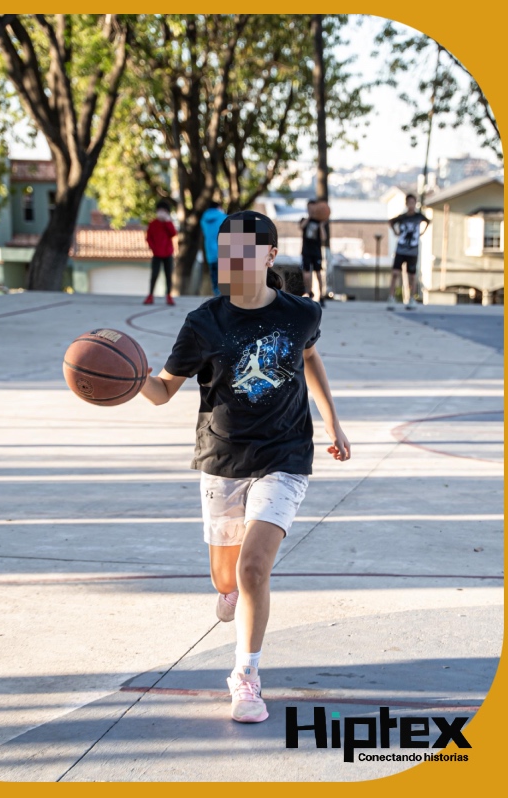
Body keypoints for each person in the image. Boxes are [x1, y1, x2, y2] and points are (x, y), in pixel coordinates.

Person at [139, 211, 351, 724]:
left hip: (285, 456)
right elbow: (163, 390)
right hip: (223, 458)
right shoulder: (204, 322)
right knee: (226, 576)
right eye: (225, 250)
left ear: (270, 255)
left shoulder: (303, 313)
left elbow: (310, 358)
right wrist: (128, 380)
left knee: (254, 566)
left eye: (243, 250)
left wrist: (332, 423)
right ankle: (229, 589)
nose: (231, 260)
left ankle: (246, 677)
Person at [388, 193, 430, 310]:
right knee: (395, 273)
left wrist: (422, 233)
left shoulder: (419, 217)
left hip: (413, 250)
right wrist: (395, 232)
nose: (411, 205)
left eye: (413, 203)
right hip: (401, 249)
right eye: (409, 203)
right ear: (406, 204)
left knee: (412, 275)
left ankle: (411, 298)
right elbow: (391, 222)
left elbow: (428, 221)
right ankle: (391, 297)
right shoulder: (402, 217)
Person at [144, 199, 178, 305]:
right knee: (154, 274)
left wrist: (167, 222)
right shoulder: (153, 223)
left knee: (168, 275)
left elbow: (173, 233)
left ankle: (168, 295)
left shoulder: (168, 223)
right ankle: (150, 295)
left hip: (168, 253)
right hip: (157, 254)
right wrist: (153, 248)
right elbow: (149, 237)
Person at [299, 199, 330, 306]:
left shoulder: (320, 222)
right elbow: (301, 227)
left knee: (318, 274)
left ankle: (321, 296)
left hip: (316, 252)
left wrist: (321, 226)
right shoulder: (304, 220)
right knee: (306, 274)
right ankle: (308, 292)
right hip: (306, 251)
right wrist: (309, 217)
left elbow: (324, 237)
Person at [200, 204, 227, 298]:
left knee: (215, 278)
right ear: (219, 207)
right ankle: (224, 301)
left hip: (210, 253)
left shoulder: (203, 219)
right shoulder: (224, 218)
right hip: (224, 252)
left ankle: (217, 296)